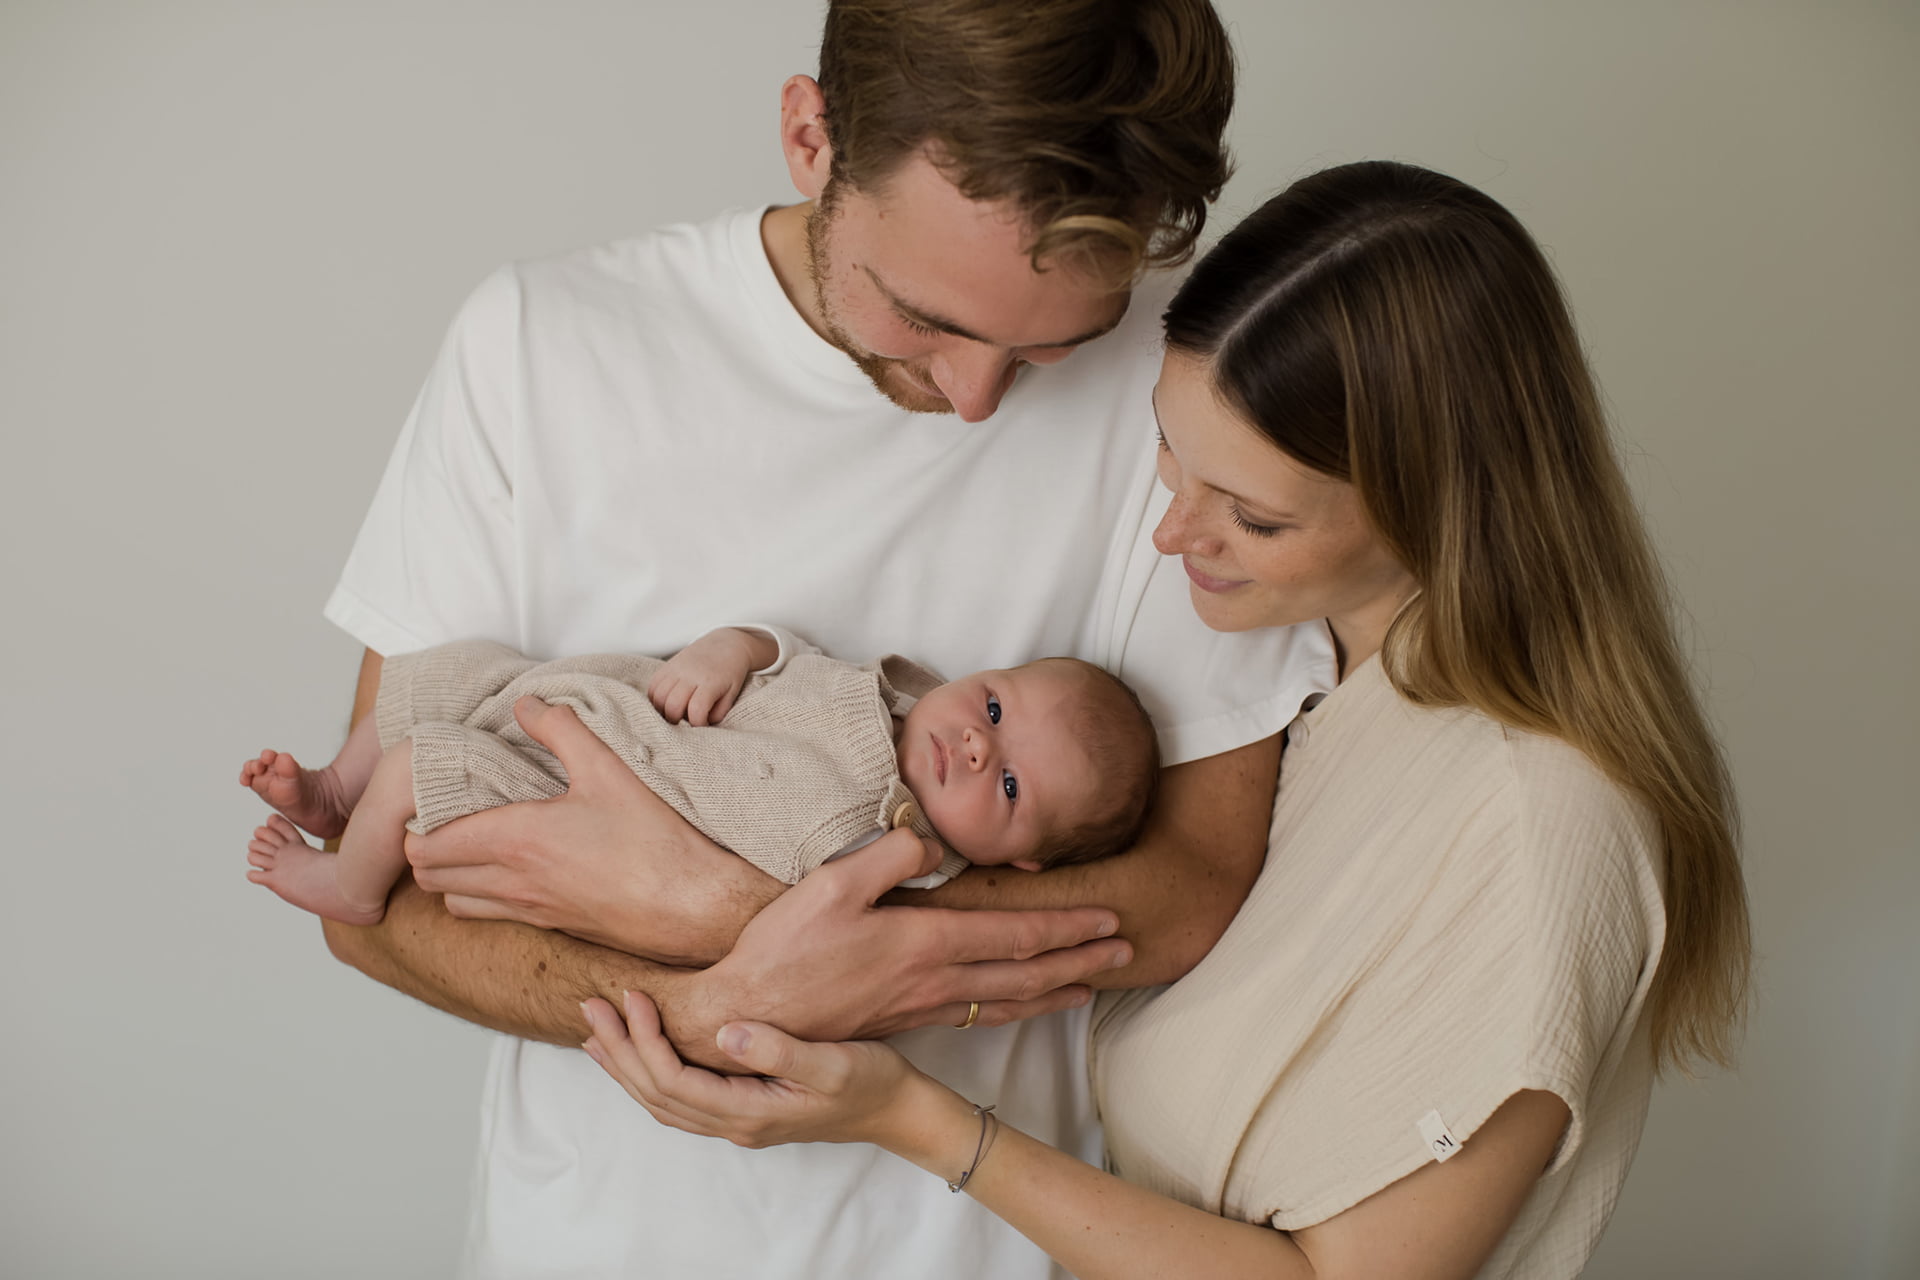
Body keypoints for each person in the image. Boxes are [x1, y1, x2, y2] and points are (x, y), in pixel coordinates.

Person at [577, 160, 1754, 1280]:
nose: (1172, 534)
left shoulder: (1543, 827)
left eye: (1248, 513)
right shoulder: (1310, 694)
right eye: (1171, 455)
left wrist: (911, 1115)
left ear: (1435, 501)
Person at [313, 2, 1335, 1276]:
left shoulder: (1183, 393)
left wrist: (745, 916)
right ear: (810, 136)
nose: (977, 400)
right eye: (926, 319)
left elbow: (1191, 883)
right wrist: (703, 998)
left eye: (1050, 345)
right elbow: (373, 904)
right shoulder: (536, 347)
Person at [241, 623, 1159, 923]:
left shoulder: (883, 848)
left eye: (1006, 788)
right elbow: (777, 649)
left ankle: (348, 884)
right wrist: (729, 649)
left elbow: (777, 908)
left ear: (1024, 861)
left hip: (574, 798)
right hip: (598, 699)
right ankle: (329, 789)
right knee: (439, 671)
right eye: (993, 711)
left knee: (420, 765)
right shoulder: (885, 692)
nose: (974, 748)